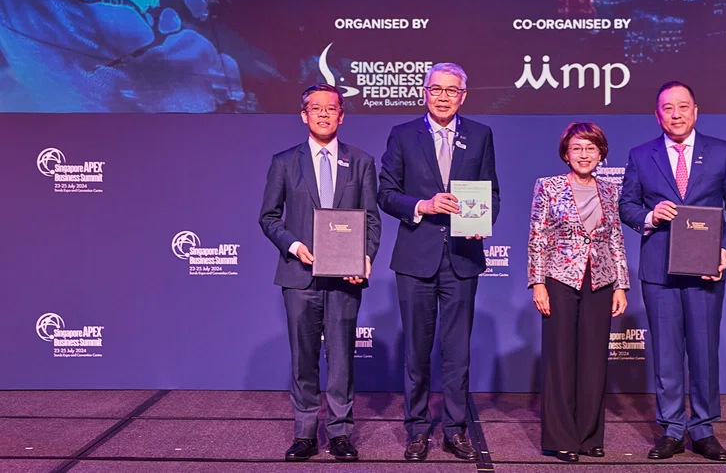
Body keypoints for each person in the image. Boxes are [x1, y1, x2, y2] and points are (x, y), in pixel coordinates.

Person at [618, 81, 726, 462]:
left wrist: (725, 250)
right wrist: (649, 215)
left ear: (696, 110)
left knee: (704, 351)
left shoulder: (722, 152)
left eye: (682, 107)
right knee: (667, 353)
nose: (675, 114)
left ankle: (704, 429)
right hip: (659, 270)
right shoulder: (641, 155)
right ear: (656, 114)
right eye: (667, 108)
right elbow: (627, 205)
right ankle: (673, 428)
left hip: (706, 269)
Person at [378, 62, 500, 462]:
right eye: (437, 89)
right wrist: (422, 205)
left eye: (452, 90)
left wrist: (484, 222)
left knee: (457, 350)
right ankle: (416, 430)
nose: (444, 96)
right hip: (416, 257)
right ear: (424, 93)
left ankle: (455, 429)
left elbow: (491, 192)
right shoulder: (402, 135)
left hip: (462, 258)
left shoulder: (481, 135)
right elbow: (386, 193)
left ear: (463, 96)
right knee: (416, 349)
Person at [259, 84, 381, 462]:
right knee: (304, 358)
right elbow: (268, 217)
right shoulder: (284, 162)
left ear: (342, 116)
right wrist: (295, 246)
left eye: (332, 109)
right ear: (304, 115)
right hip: (299, 276)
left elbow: (372, 220)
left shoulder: (360, 161)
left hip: (345, 279)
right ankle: (306, 434)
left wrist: (364, 256)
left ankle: (341, 433)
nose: (324, 114)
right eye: (316, 109)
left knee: (342, 357)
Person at [528, 122, 629, 463]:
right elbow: (537, 236)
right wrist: (538, 282)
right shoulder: (548, 186)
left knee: (593, 361)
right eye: (577, 148)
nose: (583, 155)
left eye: (590, 148)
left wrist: (621, 285)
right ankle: (560, 439)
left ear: (601, 153)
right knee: (559, 359)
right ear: (566, 154)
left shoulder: (611, 190)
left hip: (600, 280)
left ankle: (589, 437)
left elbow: (616, 238)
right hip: (559, 279)